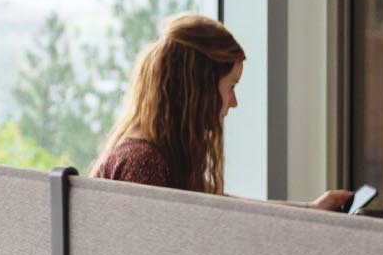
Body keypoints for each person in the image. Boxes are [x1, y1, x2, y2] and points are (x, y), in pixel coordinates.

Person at [91, 13, 352, 210]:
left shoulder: (155, 153)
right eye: (231, 87)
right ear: (200, 89)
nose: (234, 102)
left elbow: (222, 208)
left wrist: (311, 210)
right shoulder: (144, 163)